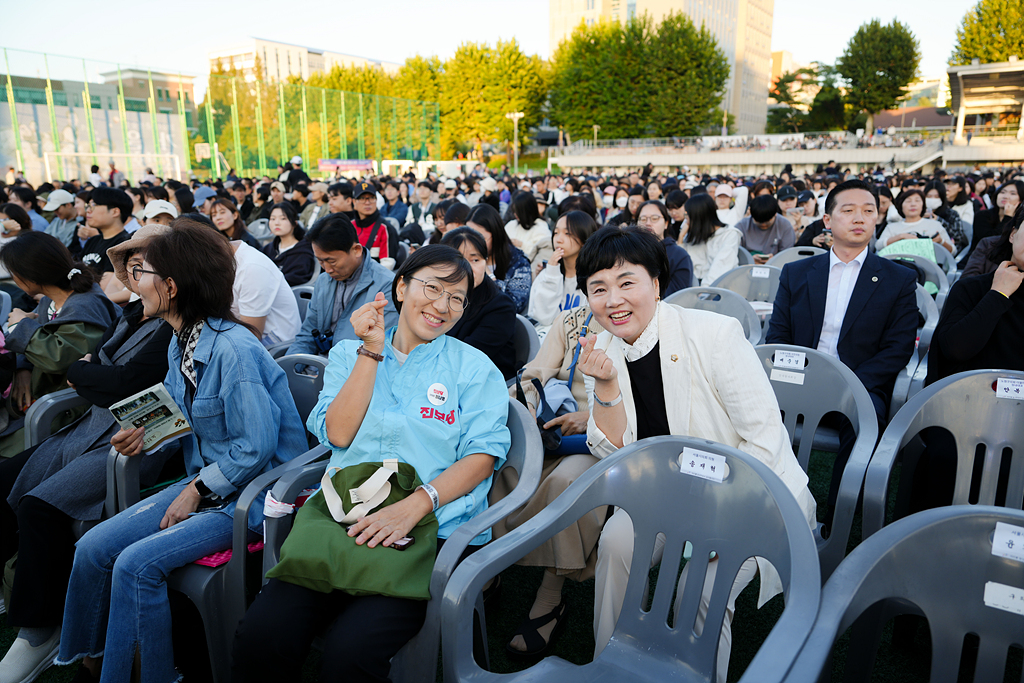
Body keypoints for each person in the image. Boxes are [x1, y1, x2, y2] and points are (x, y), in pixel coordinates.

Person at [232, 245, 510, 683]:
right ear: (401, 287)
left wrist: (417, 504)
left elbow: (484, 454)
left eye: (457, 298)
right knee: (262, 636)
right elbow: (338, 434)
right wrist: (372, 351)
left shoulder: (473, 369)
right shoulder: (349, 354)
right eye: (432, 288)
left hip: (424, 533)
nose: (442, 306)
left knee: (350, 654)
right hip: (340, 521)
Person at [54, 223, 307, 683]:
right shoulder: (181, 339)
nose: (133, 282)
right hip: (208, 484)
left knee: (135, 565)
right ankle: (90, 663)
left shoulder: (234, 349)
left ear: (170, 286)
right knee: (91, 548)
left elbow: (257, 446)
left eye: (141, 271)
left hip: (249, 497)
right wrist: (141, 435)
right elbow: (175, 411)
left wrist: (193, 489)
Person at [572, 226, 815, 682]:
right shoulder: (599, 349)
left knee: (699, 590)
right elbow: (612, 456)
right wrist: (605, 388)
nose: (613, 300)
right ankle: (610, 666)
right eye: (598, 288)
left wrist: (715, 521)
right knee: (616, 543)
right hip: (661, 493)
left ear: (656, 285)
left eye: (627, 282)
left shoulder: (714, 334)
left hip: (746, 496)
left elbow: (764, 440)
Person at [0, 227, 174, 683]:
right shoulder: (137, 312)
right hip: (98, 426)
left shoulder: (180, 326)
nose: (131, 278)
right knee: (5, 478)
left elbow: (117, 380)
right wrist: (90, 372)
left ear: (174, 277)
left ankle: (39, 628)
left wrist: (86, 372)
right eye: (129, 268)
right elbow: (96, 367)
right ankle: (18, 590)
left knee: (41, 506)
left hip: (141, 440)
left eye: (141, 269)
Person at [766, 180, 918, 522]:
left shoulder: (898, 279)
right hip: (797, 381)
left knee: (867, 425)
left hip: (858, 387)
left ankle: (836, 519)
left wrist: (847, 383)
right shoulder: (797, 273)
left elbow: (898, 348)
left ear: (878, 219)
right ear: (827, 220)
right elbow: (779, 335)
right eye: (848, 211)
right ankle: (763, 503)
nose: (859, 218)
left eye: (868, 210)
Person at [0, 232, 119, 458]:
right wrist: (24, 368)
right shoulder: (51, 299)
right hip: (44, 401)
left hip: (72, 411)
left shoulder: (87, 304)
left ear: (31, 276)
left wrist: (20, 324)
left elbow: (58, 356)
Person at [287, 213, 398, 356]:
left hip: (356, 368)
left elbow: (381, 349)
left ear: (356, 250)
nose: (327, 269)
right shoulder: (323, 281)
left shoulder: (386, 286)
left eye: (332, 261)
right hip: (318, 365)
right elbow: (307, 335)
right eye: (320, 261)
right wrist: (291, 366)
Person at [441, 228, 517, 379]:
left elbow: (466, 359)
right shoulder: (437, 297)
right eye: (459, 260)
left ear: (486, 262)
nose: (468, 269)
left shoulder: (501, 307)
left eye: (475, 260)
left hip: (483, 384)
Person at [528, 211, 596, 328]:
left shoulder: (595, 279)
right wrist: (551, 275)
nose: (558, 239)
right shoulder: (548, 274)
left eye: (568, 233)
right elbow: (542, 318)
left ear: (585, 237)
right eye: (556, 233)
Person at [466, 204, 532, 314]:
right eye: (469, 237)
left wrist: (489, 276)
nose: (473, 244)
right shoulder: (461, 258)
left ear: (496, 234)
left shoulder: (519, 263)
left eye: (480, 238)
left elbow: (515, 305)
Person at [681, 192, 742, 286]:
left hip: (720, 289)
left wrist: (702, 293)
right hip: (694, 287)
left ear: (699, 217)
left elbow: (720, 268)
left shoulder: (729, 234)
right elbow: (683, 263)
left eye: (687, 215)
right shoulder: (695, 235)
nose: (686, 221)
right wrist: (680, 238)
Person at [636, 200, 692, 296]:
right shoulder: (628, 252)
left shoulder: (679, 256)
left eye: (654, 218)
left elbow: (679, 297)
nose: (648, 223)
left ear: (666, 223)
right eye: (643, 219)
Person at [877, 189, 954, 254]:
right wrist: (900, 237)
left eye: (917, 200)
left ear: (923, 205)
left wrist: (940, 241)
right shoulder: (892, 227)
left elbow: (953, 251)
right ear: (901, 206)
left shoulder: (935, 225)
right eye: (908, 201)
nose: (913, 204)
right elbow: (878, 246)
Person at [262, 202, 316, 286]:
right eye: (272, 219)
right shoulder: (268, 249)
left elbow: (298, 278)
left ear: (294, 223)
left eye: (283, 218)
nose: (276, 223)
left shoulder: (303, 251)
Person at [968, 180, 1022, 259]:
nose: (1005, 196)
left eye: (1013, 193)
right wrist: (1007, 217)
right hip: (980, 260)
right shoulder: (982, 215)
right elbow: (989, 242)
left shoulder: (1020, 221)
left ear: (1020, 201)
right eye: (1002, 192)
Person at [736, 194, 796, 263]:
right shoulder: (741, 226)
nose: (763, 225)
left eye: (767, 223)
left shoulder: (785, 226)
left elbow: (787, 255)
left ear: (775, 214)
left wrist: (775, 260)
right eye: (759, 223)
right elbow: (735, 254)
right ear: (751, 216)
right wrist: (749, 259)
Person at [504, 190, 553, 270]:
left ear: (527, 211)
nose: (515, 214)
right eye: (514, 211)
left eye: (518, 211)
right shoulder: (511, 224)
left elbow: (542, 254)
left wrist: (522, 244)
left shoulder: (541, 228)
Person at [923, 180, 968, 253]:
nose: (932, 199)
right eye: (929, 196)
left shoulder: (952, 214)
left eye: (936, 196)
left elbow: (958, 236)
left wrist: (939, 220)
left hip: (945, 252)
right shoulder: (919, 214)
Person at [352, 181, 392, 262]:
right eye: (362, 198)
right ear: (354, 202)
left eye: (371, 198)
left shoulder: (385, 228)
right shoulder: (349, 226)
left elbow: (387, 266)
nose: (367, 202)